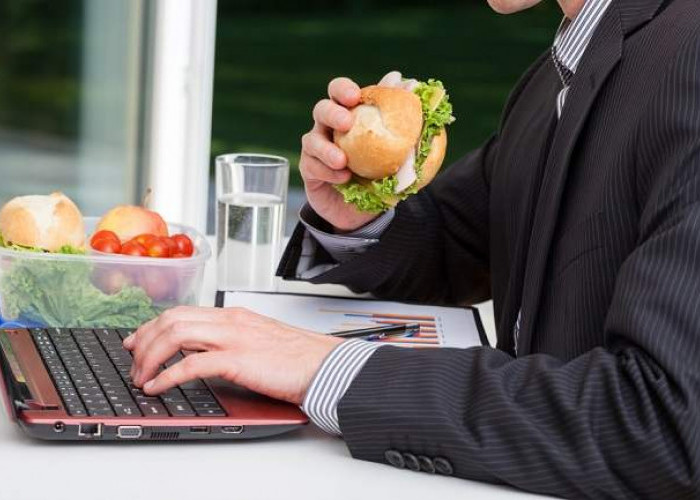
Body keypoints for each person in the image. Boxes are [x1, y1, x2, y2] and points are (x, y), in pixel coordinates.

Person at [125, 0, 700, 496]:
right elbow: (458, 241)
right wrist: (358, 217)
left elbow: (661, 422)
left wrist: (323, 366)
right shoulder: (558, 72)